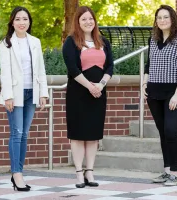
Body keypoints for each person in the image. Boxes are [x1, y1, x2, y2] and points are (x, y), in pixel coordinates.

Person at [62, 6, 114, 188]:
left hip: (99, 93)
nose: (87, 22)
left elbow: (110, 67)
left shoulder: (103, 41)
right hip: (78, 94)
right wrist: (90, 86)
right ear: (78, 22)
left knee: (93, 135)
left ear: (94, 21)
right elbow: (73, 69)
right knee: (77, 135)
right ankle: (78, 172)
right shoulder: (71, 42)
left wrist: (100, 85)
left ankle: (89, 172)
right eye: (83, 19)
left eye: (90, 19)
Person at [0, 6, 49, 191]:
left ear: (29, 22)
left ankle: (18, 172)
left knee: (24, 134)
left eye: (25, 19)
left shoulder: (35, 41)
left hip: (31, 93)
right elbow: (5, 72)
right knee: (16, 133)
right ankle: (17, 174)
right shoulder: (5, 43)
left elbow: (41, 69)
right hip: (15, 94)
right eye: (18, 19)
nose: (22, 22)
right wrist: (8, 96)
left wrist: (43, 93)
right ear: (12, 22)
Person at [143, 5, 177, 186]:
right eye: (159, 17)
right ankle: (166, 171)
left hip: (174, 93)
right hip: (154, 93)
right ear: (156, 21)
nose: (162, 20)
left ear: (173, 19)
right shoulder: (153, 39)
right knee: (163, 133)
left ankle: (175, 174)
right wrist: (144, 83)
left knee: (171, 130)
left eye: (166, 17)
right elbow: (149, 64)